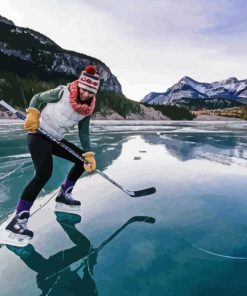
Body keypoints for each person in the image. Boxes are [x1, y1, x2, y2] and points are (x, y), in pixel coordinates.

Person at [5, 65, 100, 240]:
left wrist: (88, 154)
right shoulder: (62, 92)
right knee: (44, 173)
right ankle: (18, 220)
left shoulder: (87, 109)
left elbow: (84, 132)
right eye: (84, 89)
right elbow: (37, 98)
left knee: (81, 160)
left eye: (91, 92)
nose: (86, 94)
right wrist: (33, 114)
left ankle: (64, 194)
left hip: (55, 139)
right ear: (79, 85)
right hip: (39, 134)